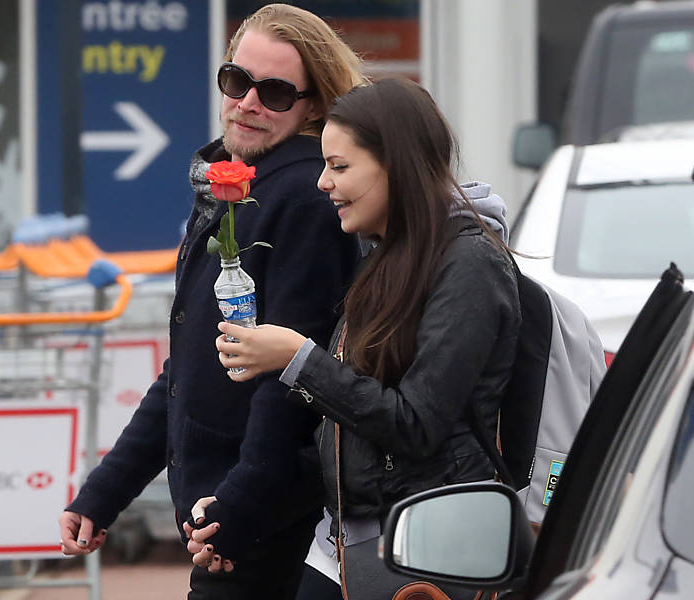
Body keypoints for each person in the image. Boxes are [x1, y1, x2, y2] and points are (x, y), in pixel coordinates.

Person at [58, 4, 364, 599]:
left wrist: (238, 509)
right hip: (229, 516)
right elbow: (189, 367)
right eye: (236, 81)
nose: (248, 101)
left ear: (313, 107)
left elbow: (293, 378)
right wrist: (106, 492)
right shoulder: (235, 189)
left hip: (264, 523)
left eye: (274, 92)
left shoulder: (302, 198)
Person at [211, 77, 521, 599]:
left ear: (396, 166)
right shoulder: (384, 256)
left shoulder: (470, 264)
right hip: (348, 545)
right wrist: (232, 500)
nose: (322, 183)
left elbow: (416, 422)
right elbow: (347, 428)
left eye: (340, 166)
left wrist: (298, 359)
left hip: (428, 553)